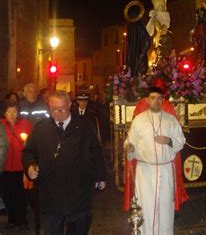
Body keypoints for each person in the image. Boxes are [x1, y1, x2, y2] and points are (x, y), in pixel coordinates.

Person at [22, 90, 106, 235]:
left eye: (62, 109)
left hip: (78, 191)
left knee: (79, 229)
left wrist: (100, 176)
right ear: (49, 107)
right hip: (51, 193)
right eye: (54, 109)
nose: (58, 113)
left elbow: (96, 152)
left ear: (70, 105)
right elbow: (28, 151)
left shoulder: (84, 126)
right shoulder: (41, 128)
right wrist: (30, 166)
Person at [125, 86, 185, 234]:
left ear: (163, 100)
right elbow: (129, 141)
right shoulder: (139, 120)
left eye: (159, 98)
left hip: (165, 170)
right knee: (146, 207)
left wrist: (169, 141)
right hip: (145, 170)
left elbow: (181, 140)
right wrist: (129, 148)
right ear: (147, 100)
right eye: (153, 98)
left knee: (165, 208)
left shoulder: (171, 120)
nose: (156, 101)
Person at [121, 0, 193, 49]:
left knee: (164, 30)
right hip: (157, 14)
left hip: (164, 14)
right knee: (159, 30)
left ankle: (160, 46)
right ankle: (156, 46)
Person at [1, 103, 31, 229]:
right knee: (7, 195)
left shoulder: (26, 124)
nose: (12, 114)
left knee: (21, 195)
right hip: (5, 167)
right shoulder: (1, 126)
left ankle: (22, 220)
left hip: (20, 167)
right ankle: (12, 219)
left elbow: (32, 142)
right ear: (4, 113)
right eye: (9, 112)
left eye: (14, 111)